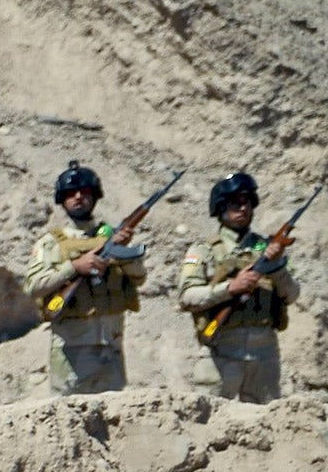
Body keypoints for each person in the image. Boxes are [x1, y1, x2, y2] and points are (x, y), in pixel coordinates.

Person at [24, 161, 149, 396]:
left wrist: (123, 252)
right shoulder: (50, 244)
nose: (79, 197)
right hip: (72, 351)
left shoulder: (112, 237)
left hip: (110, 348)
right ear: (62, 199)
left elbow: (140, 278)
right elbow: (33, 286)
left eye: (85, 192)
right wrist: (73, 267)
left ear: (95, 196)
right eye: (71, 193)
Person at [177, 172, 299, 405]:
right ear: (221, 208)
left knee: (268, 421)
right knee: (207, 418)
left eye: (247, 202)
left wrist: (276, 268)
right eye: (235, 203)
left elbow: (292, 295)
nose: (243, 208)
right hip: (221, 345)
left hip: (265, 351)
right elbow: (187, 297)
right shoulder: (204, 249)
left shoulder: (269, 249)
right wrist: (230, 288)